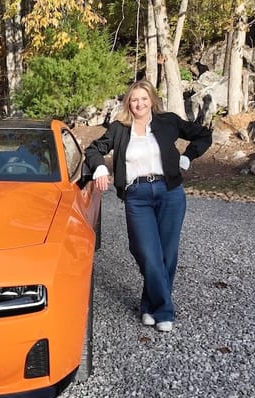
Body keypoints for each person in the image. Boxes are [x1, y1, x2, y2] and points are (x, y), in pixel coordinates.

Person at [85, 79, 212, 333]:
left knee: (167, 254)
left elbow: (203, 134)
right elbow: (93, 149)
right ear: (128, 103)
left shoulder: (168, 122)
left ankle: (153, 308)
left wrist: (188, 156)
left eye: (144, 98)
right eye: (134, 99)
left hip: (170, 193)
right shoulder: (119, 128)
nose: (139, 104)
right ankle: (163, 307)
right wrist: (99, 167)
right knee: (145, 252)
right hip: (137, 195)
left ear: (152, 100)